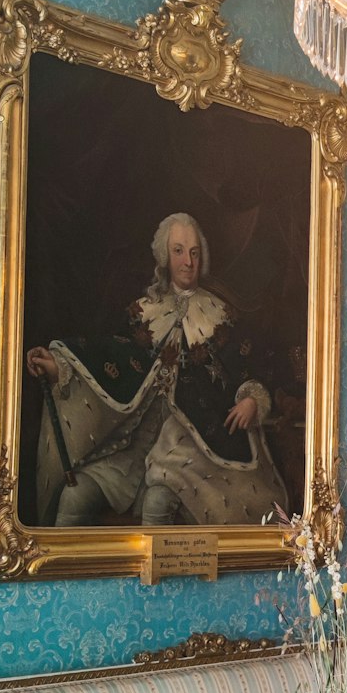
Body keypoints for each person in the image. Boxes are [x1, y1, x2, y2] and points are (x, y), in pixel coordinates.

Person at [26, 212, 287, 527]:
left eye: (194, 252)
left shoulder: (221, 316)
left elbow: (246, 370)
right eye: (178, 251)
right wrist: (59, 365)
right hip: (133, 443)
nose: (187, 261)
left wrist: (251, 400)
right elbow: (111, 358)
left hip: (191, 448)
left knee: (157, 502)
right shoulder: (144, 310)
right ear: (165, 256)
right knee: (75, 495)